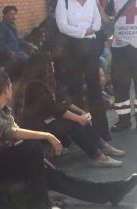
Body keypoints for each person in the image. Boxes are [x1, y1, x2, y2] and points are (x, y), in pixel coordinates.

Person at [0, 71, 137, 209]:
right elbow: (10, 133)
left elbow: (15, 139)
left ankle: (111, 192)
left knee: (57, 176)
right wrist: (48, 135)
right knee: (32, 146)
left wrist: (39, 159)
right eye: (10, 86)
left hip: (9, 158)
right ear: (7, 89)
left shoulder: (3, 109)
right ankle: (41, 204)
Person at [13, 53, 124, 168]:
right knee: (73, 123)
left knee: (77, 118)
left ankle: (102, 145)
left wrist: (81, 112)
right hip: (37, 127)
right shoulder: (34, 86)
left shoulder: (47, 81)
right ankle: (97, 156)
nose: (53, 65)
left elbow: (63, 101)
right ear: (42, 67)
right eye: (50, 64)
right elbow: (55, 108)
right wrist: (79, 119)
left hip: (48, 119)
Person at [55, 0, 111, 141]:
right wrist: (83, 32)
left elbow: (97, 23)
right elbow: (62, 26)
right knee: (75, 89)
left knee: (95, 88)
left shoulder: (92, 2)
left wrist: (88, 31)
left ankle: (102, 131)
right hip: (72, 49)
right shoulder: (64, 2)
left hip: (91, 47)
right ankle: (82, 134)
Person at [108, 0, 137, 132]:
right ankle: (124, 120)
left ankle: (125, 120)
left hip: (128, 49)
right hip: (120, 48)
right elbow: (107, 19)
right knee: (120, 86)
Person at [0, 6, 38, 79]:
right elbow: (0, 43)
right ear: (4, 15)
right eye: (11, 14)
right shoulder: (1, 27)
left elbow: (18, 40)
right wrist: (10, 53)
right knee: (29, 60)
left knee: (35, 53)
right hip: (9, 55)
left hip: (18, 52)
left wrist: (29, 44)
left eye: (15, 14)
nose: (14, 17)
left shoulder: (12, 26)